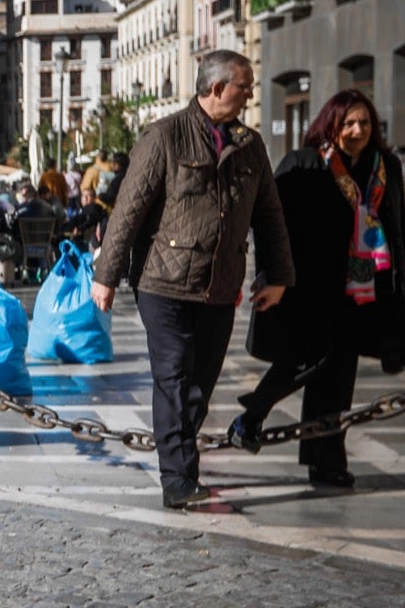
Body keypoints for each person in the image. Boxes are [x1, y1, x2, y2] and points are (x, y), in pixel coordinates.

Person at [92, 49, 295, 510]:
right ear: (217, 87)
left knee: (200, 382)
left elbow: (269, 214)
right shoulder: (164, 136)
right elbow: (128, 210)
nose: (250, 93)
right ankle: (179, 478)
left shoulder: (250, 144)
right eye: (244, 85)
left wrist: (278, 274)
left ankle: (180, 459)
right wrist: (107, 275)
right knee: (174, 375)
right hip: (162, 282)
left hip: (219, 284)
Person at [229, 90, 405, 486]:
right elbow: (271, 223)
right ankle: (252, 414)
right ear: (332, 125)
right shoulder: (305, 163)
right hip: (308, 286)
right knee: (304, 359)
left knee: (338, 377)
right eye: (349, 123)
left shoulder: (385, 167)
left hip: (361, 288)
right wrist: (273, 275)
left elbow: (397, 228)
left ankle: (326, 463)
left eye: (364, 122)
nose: (358, 130)